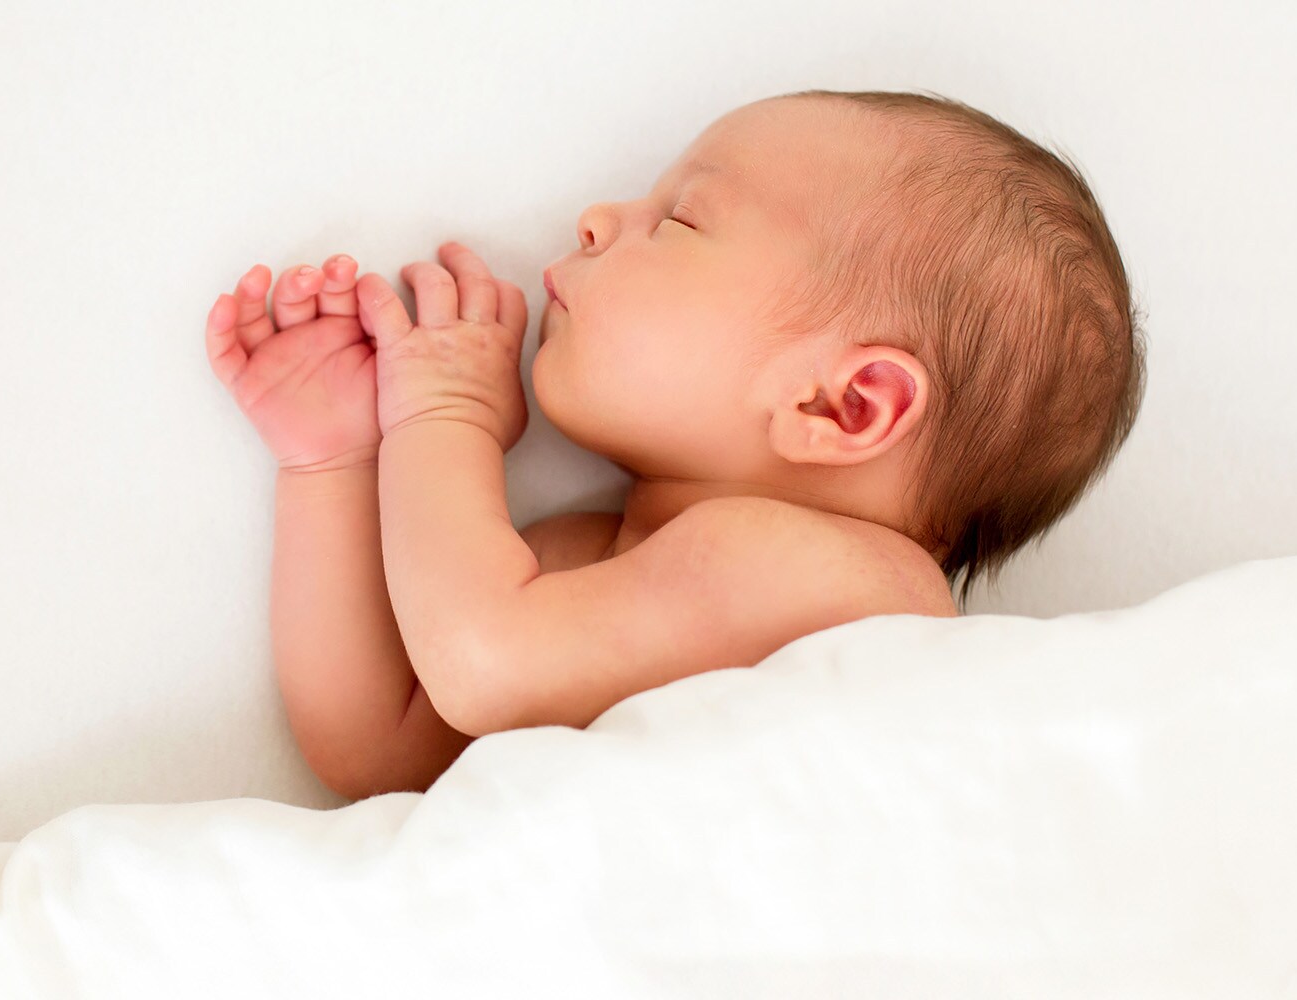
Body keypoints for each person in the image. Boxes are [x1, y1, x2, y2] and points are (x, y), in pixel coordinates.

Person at [202, 89, 1146, 800]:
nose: (598, 219)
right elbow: (378, 747)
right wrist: (333, 464)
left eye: (682, 218)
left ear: (845, 405)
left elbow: (481, 662)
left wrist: (443, 415)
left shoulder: (855, 587)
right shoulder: (591, 562)